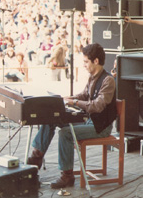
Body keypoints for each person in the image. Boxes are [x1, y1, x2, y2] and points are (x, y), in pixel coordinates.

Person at [27, 43, 117, 189]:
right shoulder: (93, 76)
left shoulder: (108, 80)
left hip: (100, 127)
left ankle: (67, 176)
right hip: (89, 121)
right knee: (52, 119)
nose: (84, 65)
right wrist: (66, 99)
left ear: (95, 61)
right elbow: (84, 95)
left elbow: (97, 106)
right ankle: (34, 163)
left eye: (86, 62)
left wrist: (74, 101)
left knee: (66, 133)